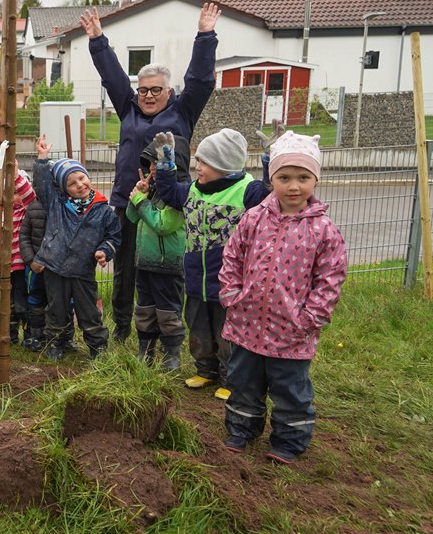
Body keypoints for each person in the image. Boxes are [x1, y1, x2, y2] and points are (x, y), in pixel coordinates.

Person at [79, 3, 221, 343]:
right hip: (128, 202)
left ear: (169, 92)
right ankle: (124, 327)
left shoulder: (183, 110)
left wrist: (205, 35)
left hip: (168, 204)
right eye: (143, 89)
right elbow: (112, 77)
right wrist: (98, 40)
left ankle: (166, 331)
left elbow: (200, 80)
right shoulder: (128, 107)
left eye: (156, 89)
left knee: (165, 269)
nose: (148, 95)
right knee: (125, 268)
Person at [219, 132, 346, 464]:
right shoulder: (253, 218)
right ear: (271, 177)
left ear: (315, 179)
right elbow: (232, 256)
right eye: (284, 177)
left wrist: (311, 318)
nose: (293, 186)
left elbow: (330, 278)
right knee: (243, 382)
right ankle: (241, 430)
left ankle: (289, 440)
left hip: (292, 331)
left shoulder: (324, 231)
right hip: (246, 325)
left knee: (290, 389)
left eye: (303, 178)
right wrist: (231, 294)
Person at [153, 129, 270, 399]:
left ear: (223, 164)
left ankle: (231, 377)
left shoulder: (246, 191)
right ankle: (205, 369)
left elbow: (270, 195)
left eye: (203, 162)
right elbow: (169, 193)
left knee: (227, 331)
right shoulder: (194, 190)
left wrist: (270, 159)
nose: (197, 166)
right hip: (195, 279)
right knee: (198, 327)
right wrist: (166, 163)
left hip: (230, 283)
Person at [31, 137, 121, 362]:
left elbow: (113, 237)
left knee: (89, 312)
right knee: (57, 310)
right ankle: (56, 342)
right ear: (63, 188)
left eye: (81, 178)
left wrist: (104, 251)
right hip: (56, 268)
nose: (79, 185)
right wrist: (42, 159)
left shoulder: (103, 210)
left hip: (83, 270)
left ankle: (97, 346)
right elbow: (42, 184)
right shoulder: (56, 203)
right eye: (72, 183)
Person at [126, 141, 186, 371]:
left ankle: (172, 353)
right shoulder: (153, 191)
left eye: (157, 162)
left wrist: (141, 202)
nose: (152, 168)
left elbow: (162, 224)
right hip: (145, 263)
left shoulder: (179, 194)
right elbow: (133, 218)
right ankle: (146, 350)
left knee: (168, 310)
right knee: (145, 309)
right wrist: (139, 196)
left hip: (167, 266)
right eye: (150, 163)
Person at [0, 166, 36, 344]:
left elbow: (29, 196)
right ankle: (10, 334)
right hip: (4, 266)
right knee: (6, 304)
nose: (13, 197)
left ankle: (28, 334)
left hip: (21, 267)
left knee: (21, 303)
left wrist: (16, 176)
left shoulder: (26, 212)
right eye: (9, 193)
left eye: (16, 193)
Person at [19, 188, 76, 353]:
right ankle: (36, 336)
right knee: (36, 300)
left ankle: (66, 338)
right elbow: (24, 237)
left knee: (65, 302)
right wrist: (31, 261)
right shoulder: (33, 208)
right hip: (38, 268)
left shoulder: (68, 207)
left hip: (61, 268)